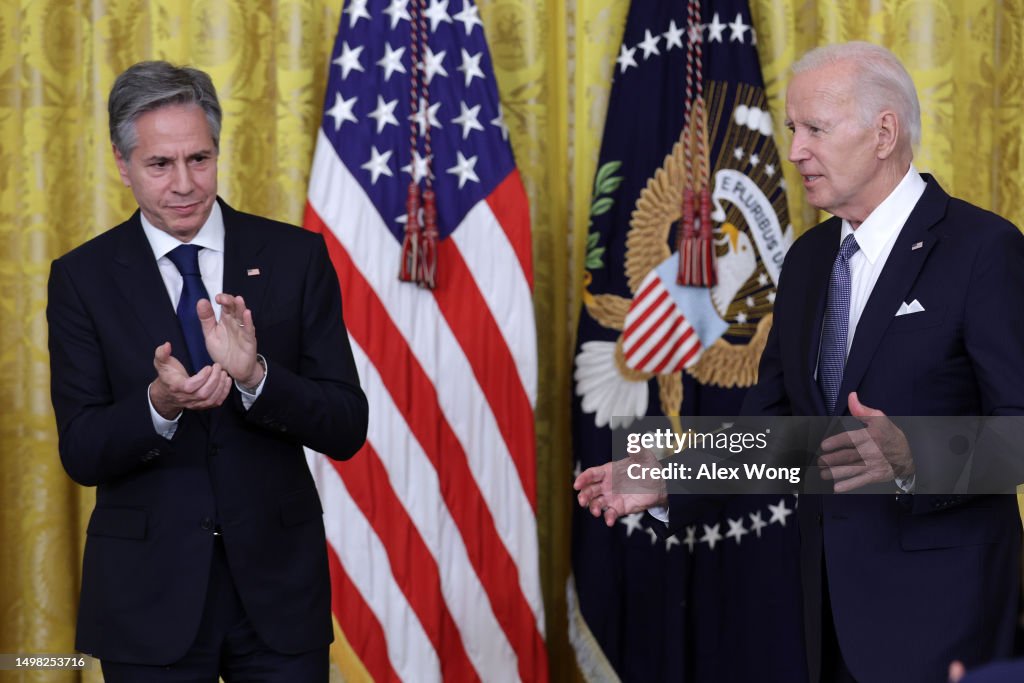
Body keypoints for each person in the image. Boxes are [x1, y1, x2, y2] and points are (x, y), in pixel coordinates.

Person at [575, 41, 1024, 683]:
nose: (794, 152)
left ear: (883, 133)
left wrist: (915, 455)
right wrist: (671, 475)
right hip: (827, 619)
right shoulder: (808, 260)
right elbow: (779, 431)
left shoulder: (985, 249)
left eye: (815, 128)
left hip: (949, 617)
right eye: (791, 128)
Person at [47, 61, 368, 681]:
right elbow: (81, 452)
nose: (185, 184)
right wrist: (157, 406)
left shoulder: (295, 256)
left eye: (199, 159)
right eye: (160, 165)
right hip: (146, 598)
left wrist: (257, 378)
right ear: (123, 163)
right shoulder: (82, 277)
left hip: (278, 593)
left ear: (219, 151)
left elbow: (346, 425)